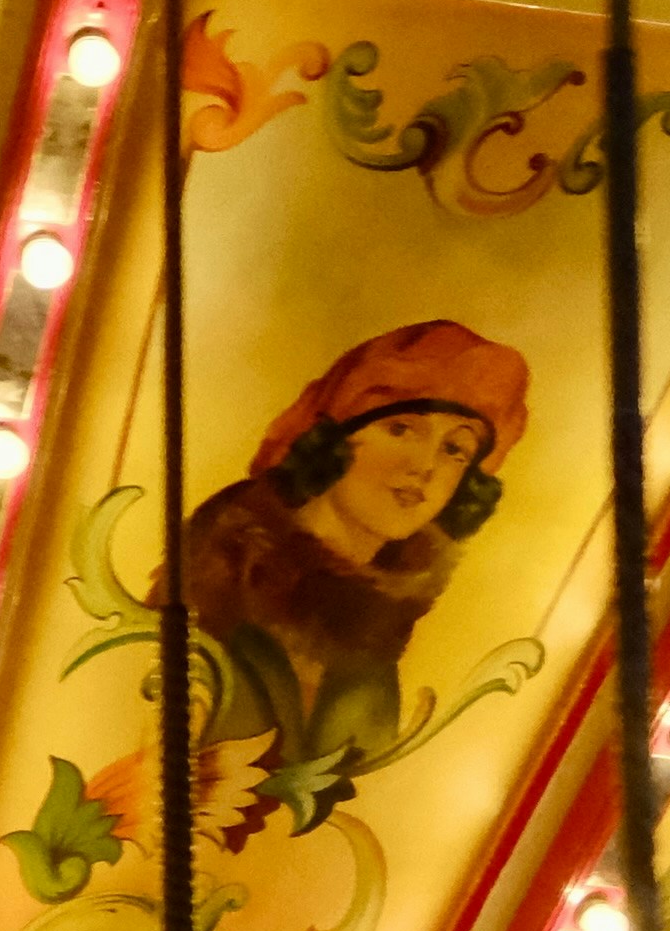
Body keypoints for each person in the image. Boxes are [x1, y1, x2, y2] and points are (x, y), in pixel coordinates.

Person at [170, 319, 529, 849]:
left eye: (456, 450)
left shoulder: (373, 654)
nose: (424, 467)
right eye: (400, 429)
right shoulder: (217, 576)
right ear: (331, 439)